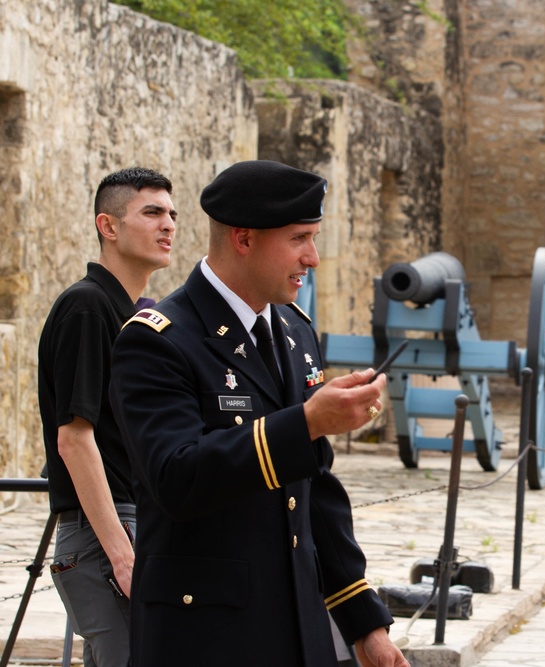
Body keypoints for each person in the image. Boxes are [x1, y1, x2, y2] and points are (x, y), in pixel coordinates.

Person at [109, 160, 408, 667]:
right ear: (244, 239)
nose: (312, 258)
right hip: (205, 636)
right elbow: (177, 476)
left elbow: (315, 491)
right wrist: (308, 422)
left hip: (297, 626)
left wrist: (365, 625)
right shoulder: (157, 339)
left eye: (313, 238)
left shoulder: (295, 332)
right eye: (299, 239)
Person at [37, 167, 177, 667]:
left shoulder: (137, 313)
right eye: (152, 212)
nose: (169, 225)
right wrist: (122, 555)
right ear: (109, 226)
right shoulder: (88, 307)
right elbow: (74, 439)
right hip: (106, 535)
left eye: (172, 214)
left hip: (134, 526)